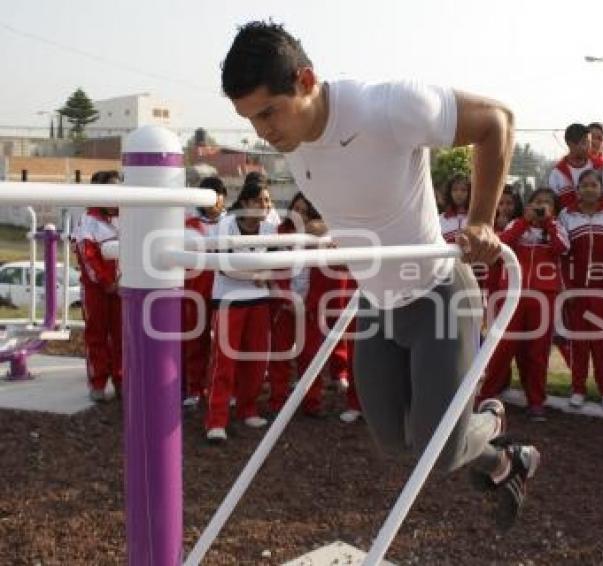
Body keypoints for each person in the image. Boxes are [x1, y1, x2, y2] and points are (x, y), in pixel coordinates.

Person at [221, 21, 538, 528]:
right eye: (249, 119)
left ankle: (489, 420)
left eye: (268, 112)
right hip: (374, 304)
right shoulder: (293, 142)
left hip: (438, 294)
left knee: (434, 450)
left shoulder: (386, 107)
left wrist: (480, 220)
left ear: (306, 80)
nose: (264, 132)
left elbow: (497, 121)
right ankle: (506, 460)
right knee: (394, 442)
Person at [479, 188, 568, 421]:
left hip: (543, 296)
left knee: (537, 352)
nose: (541, 207)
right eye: (537, 203)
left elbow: (562, 248)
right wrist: (524, 223)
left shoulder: (557, 227)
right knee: (503, 347)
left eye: (546, 204)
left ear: (554, 209)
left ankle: (536, 401)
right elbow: (501, 246)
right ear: (528, 206)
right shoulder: (516, 225)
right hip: (513, 295)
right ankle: (486, 395)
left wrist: (548, 222)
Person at [267, 192, 353, 418]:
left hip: (311, 307)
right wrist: (286, 299)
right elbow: (273, 271)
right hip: (285, 305)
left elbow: (335, 269)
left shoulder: (322, 235)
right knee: (280, 356)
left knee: (311, 356)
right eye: (296, 209)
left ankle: (312, 402)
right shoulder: (280, 234)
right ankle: (278, 401)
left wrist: (309, 302)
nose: (300, 214)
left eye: (305, 210)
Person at [205, 181, 278, 442]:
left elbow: (277, 262)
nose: (266, 206)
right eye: (261, 200)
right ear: (246, 203)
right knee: (224, 363)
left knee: (257, 360)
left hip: (258, 300)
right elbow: (224, 267)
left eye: (268, 201)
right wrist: (257, 274)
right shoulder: (225, 225)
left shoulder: (270, 228)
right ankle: (216, 419)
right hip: (229, 300)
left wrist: (264, 274)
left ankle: (248, 408)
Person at [557, 169, 603, 411]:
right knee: (578, 342)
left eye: (593, 185)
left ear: (601, 188)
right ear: (577, 189)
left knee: (602, 342)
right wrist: (566, 289)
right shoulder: (566, 215)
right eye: (583, 185)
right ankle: (578, 388)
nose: (588, 189)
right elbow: (561, 256)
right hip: (576, 290)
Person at [75, 170, 122, 402]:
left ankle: (122, 380)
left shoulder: (127, 216)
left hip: (123, 289)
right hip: (97, 291)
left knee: (123, 337)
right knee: (97, 336)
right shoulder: (88, 221)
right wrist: (107, 282)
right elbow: (88, 257)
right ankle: (98, 383)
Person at [182, 176, 227, 408]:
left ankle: (223, 390)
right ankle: (195, 388)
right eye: (207, 195)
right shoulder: (188, 222)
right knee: (195, 342)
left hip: (226, 289)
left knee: (225, 344)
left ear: (223, 197)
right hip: (195, 290)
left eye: (216, 194)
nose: (212, 201)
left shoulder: (232, 222)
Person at [548, 123, 603, 209]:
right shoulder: (557, 173)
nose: (589, 146)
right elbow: (553, 205)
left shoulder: (601, 167)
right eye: (585, 143)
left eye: (589, 142)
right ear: (570, 144)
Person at [440, 174, 470, 242]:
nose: (459, 193)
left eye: (463, 190)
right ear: (449, 193)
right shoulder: (440, 219)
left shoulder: (475, 219)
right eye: (455, 190)